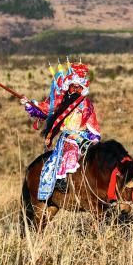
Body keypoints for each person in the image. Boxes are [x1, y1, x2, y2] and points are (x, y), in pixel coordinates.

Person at [22, 61, 101, 201]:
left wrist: (93, 138)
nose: (75, 89)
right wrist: (29, 103)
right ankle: (61, 181)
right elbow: (45, 109)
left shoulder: (87, 105)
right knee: (70, 153)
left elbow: (92, 123)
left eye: (79, 87)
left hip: (84, 138)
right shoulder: (61, 100)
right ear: (69, 86)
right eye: (73, 86)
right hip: (68, 138)